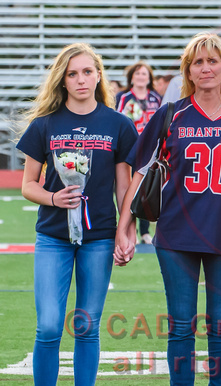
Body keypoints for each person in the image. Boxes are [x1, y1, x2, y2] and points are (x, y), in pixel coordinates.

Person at [114, 32, 221, 385]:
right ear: (188, 72)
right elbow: (140, 172)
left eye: (213, 61)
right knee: (181, 327)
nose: (206, 68)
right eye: (198, 62)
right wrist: (125, 225)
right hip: (176, 233)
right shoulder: (171, 114)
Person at [16, 42, 137, 385]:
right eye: (73, 74)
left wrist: (125, 232)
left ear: (99, 76)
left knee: (86, 325)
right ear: (63, 81)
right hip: (53, 236)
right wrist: (55, 198)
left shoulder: (119, 125)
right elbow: (28, 185)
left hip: (98, 237)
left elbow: (123, 188)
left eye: (87, 71)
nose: (81, 79)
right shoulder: (44, 125)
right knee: (50, 325)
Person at [116, 61, 162, 244]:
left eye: (145, 74)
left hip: (150, 150)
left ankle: (144, 231)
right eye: (138, 73)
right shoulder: (124, 97)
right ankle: (128, 228)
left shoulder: (156, 97)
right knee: (128, 188)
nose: (141, 77)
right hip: (130, 148)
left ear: (149, 77)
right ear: (132, 77)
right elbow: (119, 119)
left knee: (147, 189)